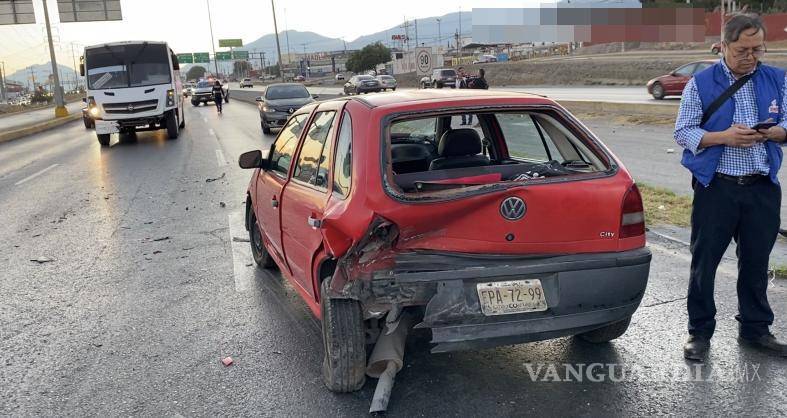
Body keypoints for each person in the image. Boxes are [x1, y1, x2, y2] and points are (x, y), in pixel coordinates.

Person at [674, 13, 787, 360]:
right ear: (723, 46)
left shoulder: (777, 78)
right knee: (704, 263)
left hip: (762, 188)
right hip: (717, 189)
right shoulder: (701, 83)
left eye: (757, 49)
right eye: (742, 49)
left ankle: (756, 330)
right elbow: (683, 132)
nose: (750, 56)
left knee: (756, 262)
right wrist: (724, 137)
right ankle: (700, 333)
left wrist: (779, 132)